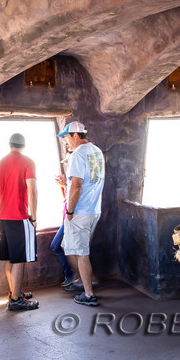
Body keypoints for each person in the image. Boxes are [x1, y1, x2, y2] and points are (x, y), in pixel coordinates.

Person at [59, 121, 106, 307]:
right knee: (69, 246)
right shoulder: (96, 151)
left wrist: (70, 211)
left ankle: (88, 294)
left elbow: (77, 186)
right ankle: (83, 278)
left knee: (81, 254)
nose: (67, 141)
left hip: (80, 211)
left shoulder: (77, 154)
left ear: (76, 136)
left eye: (67, 137)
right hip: (94, 208)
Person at [0, 133, 40, 312]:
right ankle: (15, 299)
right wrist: (33, 216)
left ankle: (15, 291)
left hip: (3, 216)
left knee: (9, 257)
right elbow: (33, 191)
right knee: (19, 259)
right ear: (24, 145)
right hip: (20, 216)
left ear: (9, 144)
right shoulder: (28, 162)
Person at [54, 167, 82, 292]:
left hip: (71, 219)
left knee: (57, 246)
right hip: (67, 219)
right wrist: (64, 186)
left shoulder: (75, 181)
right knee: (62, 247)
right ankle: (73, 276)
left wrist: (65, 185)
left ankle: (73, 275)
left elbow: (74, 196)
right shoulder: (68, 183)